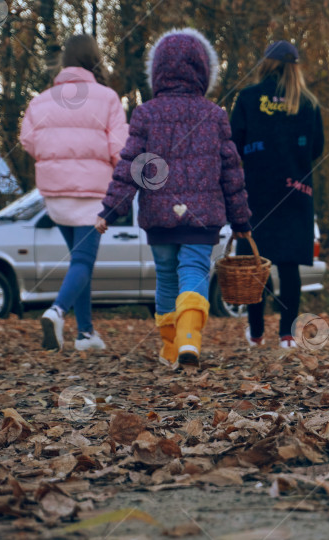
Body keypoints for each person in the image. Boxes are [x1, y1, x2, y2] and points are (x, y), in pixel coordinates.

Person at [96, 28, 252, 369]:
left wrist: (110, 209)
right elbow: (232, 172)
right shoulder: (215, 115)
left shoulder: (145, 114)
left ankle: (170, 348)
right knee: (194, 269)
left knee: (166, 275)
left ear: (158, 72)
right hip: (203, 215)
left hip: (159, 214)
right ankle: (189, 340)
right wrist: (241, 220)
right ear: (203, 71)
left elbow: (131, 167)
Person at [20, 34, 129, 352]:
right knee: (83, 260)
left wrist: (55, 161)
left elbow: (28, 140)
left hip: (55, 195)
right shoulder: (108, 98)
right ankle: (56, 312)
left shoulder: (41, 99)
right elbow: (119, 150)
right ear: (94, 59)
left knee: (80, 262)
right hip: (92, 195)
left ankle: (85, 334)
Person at [230, 40, 324, 348]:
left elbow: (234, 144)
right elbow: (317, 149)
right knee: (289, 264)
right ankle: (286, 334)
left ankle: (256, 333)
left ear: (266, 64)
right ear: (295, 67)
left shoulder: (247, 98)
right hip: (296, 192)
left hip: (256, 192)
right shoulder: (308, 103)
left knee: (255, 264)